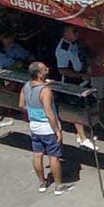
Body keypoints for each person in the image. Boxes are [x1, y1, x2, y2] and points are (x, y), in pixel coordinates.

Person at [19, 61, 66, 195]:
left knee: (37, 154)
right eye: (45, 69)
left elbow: (21, 105)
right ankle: (58, 186)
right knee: (54, 157)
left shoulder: (26, 86)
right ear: (39, 74)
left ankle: (42, 182)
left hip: (34, 126)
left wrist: (33, 111)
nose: (48, 69)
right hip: (47, 128)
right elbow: (49, 113)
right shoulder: (45, 91)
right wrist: (57, 130)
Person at [53, 25, 96, 150]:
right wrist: (81, 75)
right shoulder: (63, 49)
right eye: (74, 31)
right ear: (65, 33)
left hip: (83, 79)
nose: (77, 33)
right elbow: (63, 70)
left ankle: (86, 132)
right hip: (72, 82)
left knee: (85, 106)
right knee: (76, 109)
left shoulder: (76, 43)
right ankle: (82, 137)